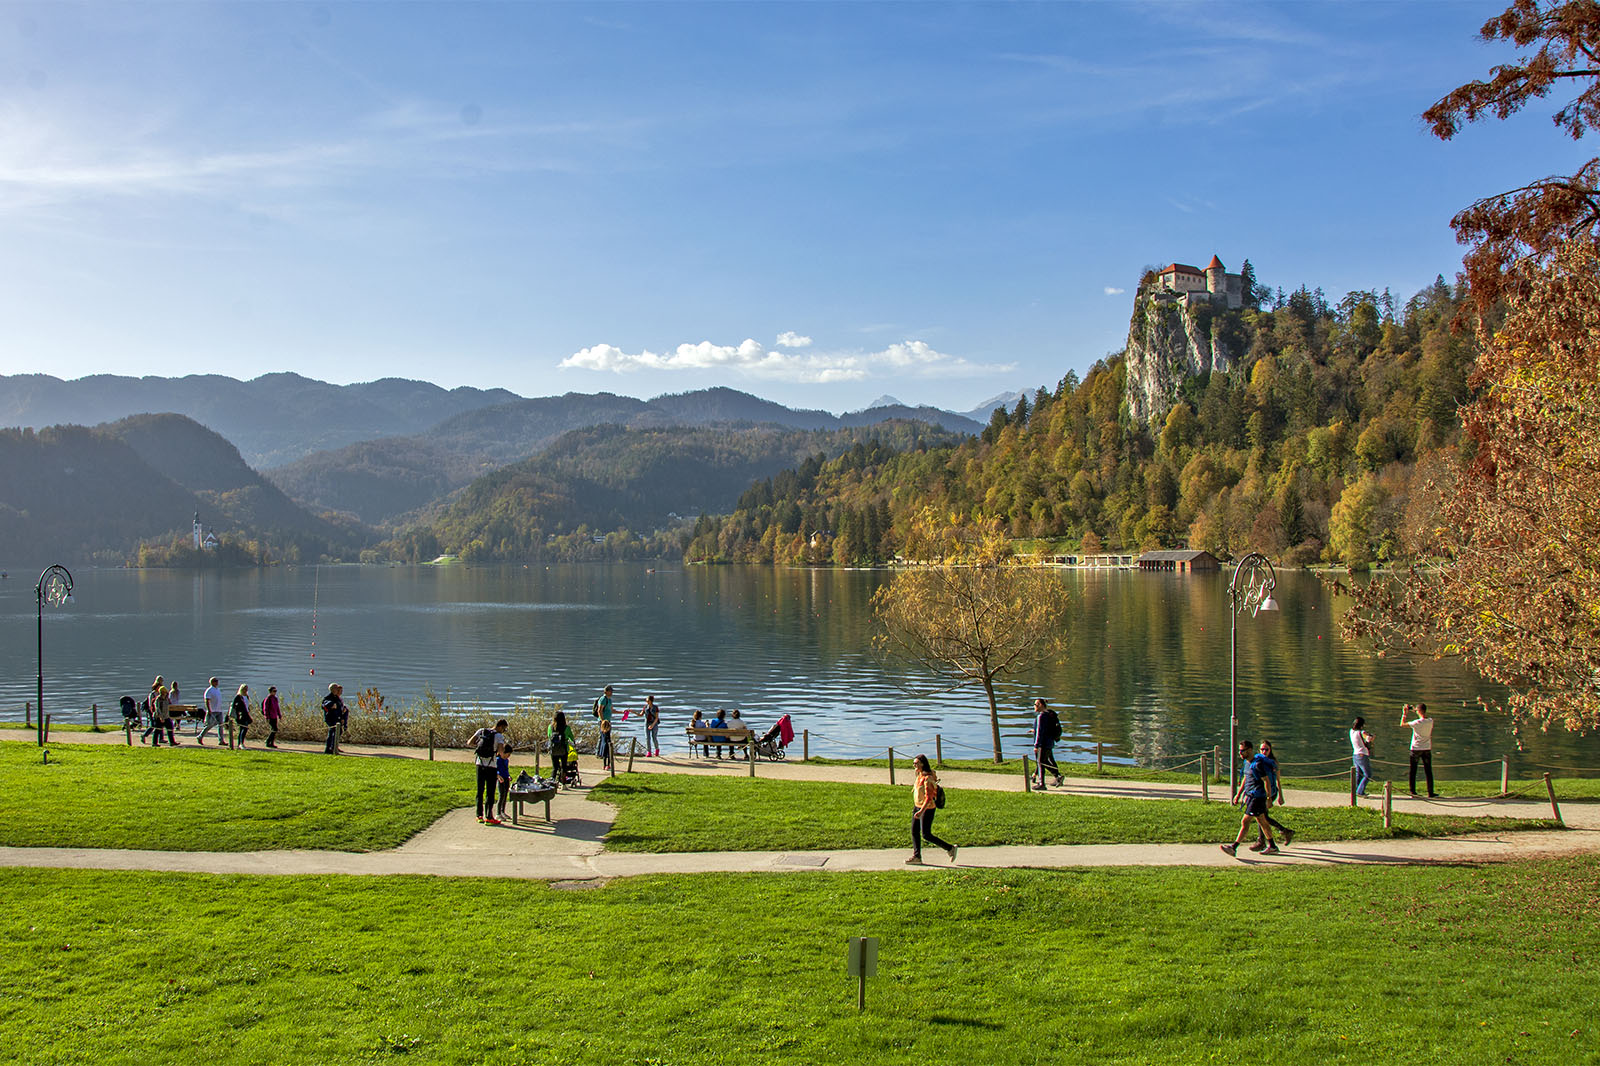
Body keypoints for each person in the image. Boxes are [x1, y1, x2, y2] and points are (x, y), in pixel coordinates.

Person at [1221, 740, 1278, 856]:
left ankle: (1234, 847)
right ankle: (1272, 846)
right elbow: (1246, 779)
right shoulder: (1247, 763)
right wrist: (1238, 794)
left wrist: (1269, 798)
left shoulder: (1257, 765)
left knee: (1245, 821)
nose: (1240, 754)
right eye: (1239, 751)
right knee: (1262, 821)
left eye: (1242, 751)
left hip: (1257, 798)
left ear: (1250, 750)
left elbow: (1266, 781)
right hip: (1252, 797)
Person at [907, 754, 957, 864]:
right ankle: (917, 857)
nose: (914, 765)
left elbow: (929, 798)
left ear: (923, 764)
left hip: (927, 809)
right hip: (917, 806)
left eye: (917, 763)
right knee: (914, 831)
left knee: (926, 834)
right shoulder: (919, 774)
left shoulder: (928, 778)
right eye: (914, 763)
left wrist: (921, 811)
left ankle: (950, 848)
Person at [1253, 741, 1296, 848]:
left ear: (1270, 750)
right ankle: (1282, 832)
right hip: (1260, 792)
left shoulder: (1273, 763)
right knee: (1262, 816)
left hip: (1270, 793)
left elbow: (1278, 780)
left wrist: (1280, 796)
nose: (1264, 752)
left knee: (1261, 816)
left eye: (1266, 749)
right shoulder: (1258, 761)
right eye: (1262, 749)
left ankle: (1263, 840)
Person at [469, 719, 507, 824]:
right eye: (504, 729)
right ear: (501, 726)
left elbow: (469, 742)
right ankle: (489, 817)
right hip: (491, 765)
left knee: (480, 790)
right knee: (490, 791)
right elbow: (501, 753)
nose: (503, 731)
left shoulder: (481, 731)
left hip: (479, 763)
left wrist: (480, 747)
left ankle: (479, 815)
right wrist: (503, 754)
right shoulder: (499, 736)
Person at [1401, 702, 1436, 797]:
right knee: (1428, 771)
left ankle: (1412, 791)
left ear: (1419, 711)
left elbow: (1402, 724)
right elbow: (1423, 715)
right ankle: (1430, 791)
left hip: (1416, 748)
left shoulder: (1416, 723)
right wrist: (1415, 709)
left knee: (1413, 771)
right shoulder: (1430, 721)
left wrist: (1405, 713)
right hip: (1426, 748)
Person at [1032, 697, 1063, 789]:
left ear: (1040, 705)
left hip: (1043, 744)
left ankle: (1042, 784)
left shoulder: (1041, 716)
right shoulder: (1050, 715)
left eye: (1035, 705)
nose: (1034, 707)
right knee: (1044, 762)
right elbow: (1046, 729)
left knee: (1041, 763)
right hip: (1050, 742)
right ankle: (1057, 776)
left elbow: (1040, 732)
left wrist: (1036, 745)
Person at [547, 711, 576, 783]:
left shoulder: (550, 727)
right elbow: (572, 738)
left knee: (555, 767)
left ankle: (552, 781)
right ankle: (563, 782)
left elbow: (549, 736)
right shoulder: (567, 728)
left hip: (553, 750)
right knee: (564, 767)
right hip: (563, 749)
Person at [1350, 716, 1374, 798]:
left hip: (1355, 754)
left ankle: (1355, 790)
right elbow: (1368, 738)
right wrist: (1370, 738)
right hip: (1362, 754)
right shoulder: (1361, 732)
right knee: (1368, 774)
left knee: (1358, 774)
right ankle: (1360, 791)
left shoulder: (1351, 732)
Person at [198, 677, 225, 745]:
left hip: (219, 710)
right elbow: (207, 700)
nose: (217, 682)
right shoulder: (209, 690)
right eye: (215, 681)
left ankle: (221, 740)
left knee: (220, 725)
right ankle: (200, 736)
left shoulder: (218, 690)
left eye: (217, 681)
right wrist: (209, 710)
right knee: (210, 725)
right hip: (212, 710)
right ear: (212, 682)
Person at [321, 683, 346, 754]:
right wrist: (331, 705)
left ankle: (334, 747)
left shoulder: (337, 698)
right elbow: (324, 705)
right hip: (331, 718)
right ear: (333, 689)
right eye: (336, 688)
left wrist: (342, 715)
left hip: (337, 718)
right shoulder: (329, 698)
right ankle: (329, 749)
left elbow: (339, 708)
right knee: (332, 732)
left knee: (338, 732)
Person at [595, 685, 615, 771]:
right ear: (606, 691)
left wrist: (622, 712)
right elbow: (599, 710)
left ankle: (606, 760)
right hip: (604, 723)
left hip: (608, 722)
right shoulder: (603, 699)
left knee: (607, 741)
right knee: (605, 741)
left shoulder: (609, 700)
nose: (612, 693)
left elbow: (611, 710)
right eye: (610, 691)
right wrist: (603, 721)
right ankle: (603, 758)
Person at [495, 744, 512, 821]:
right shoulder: (498, 760)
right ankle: (498, 813)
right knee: (501, 795)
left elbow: (506, 770)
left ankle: (503, 811)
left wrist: (508, 776)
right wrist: (498, 776)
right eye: (507, 754)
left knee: (505, 795)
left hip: (506, 778)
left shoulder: (506, 760)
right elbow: (496, 769)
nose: (508, 756)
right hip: (500, 779)